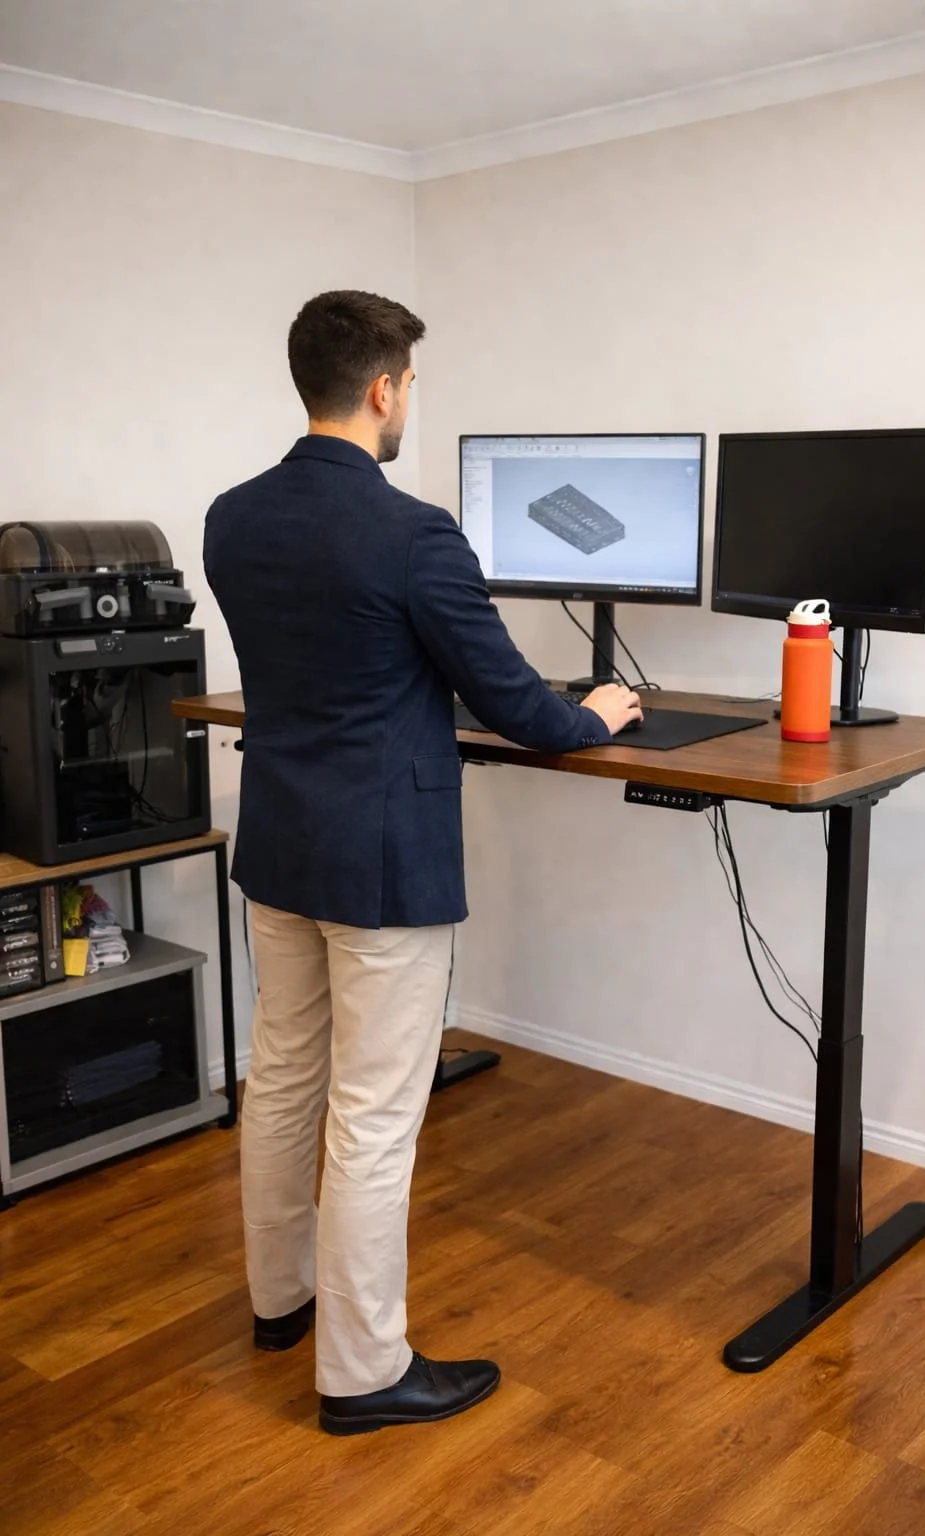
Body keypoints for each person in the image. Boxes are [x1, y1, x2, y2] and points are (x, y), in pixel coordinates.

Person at [203, 290, 642, 1437]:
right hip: (383, 858)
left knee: (288, 1077)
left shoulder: (230, 517)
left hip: (283, 839)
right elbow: (514, 704)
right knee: (373, 1114)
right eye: (411, 387)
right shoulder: (413, 535)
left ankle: (280, 1302)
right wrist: (594, 709)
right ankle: (362, 1372)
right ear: (386, 388)